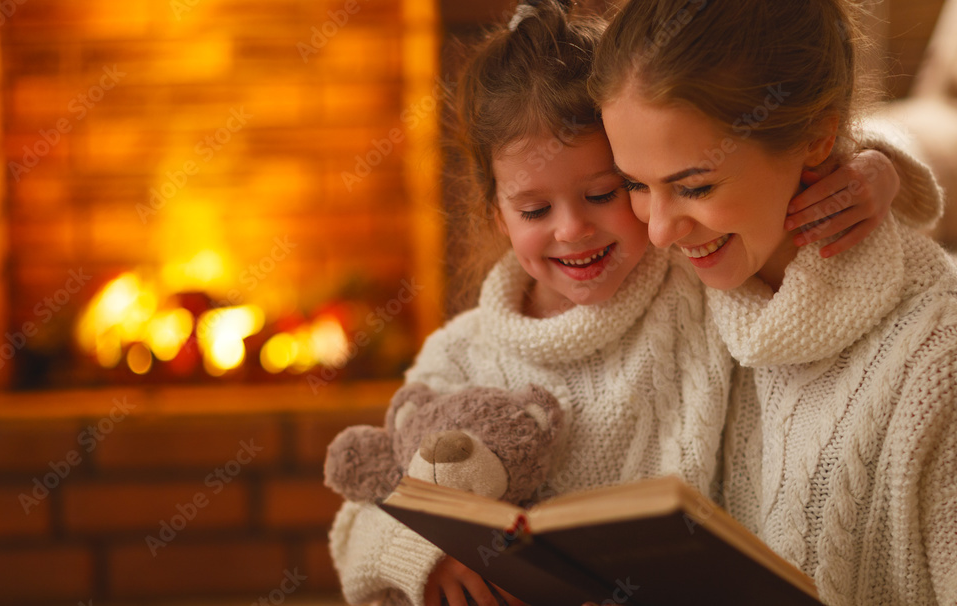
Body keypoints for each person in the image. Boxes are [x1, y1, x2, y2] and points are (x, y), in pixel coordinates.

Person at [329, 2, 936, 605]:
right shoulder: (459, 352)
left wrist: (875, 171)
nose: (572, 230)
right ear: (496, 215)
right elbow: (366, 503)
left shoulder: (689, 282)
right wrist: (422, 554)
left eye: (605, 192)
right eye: (535, 211)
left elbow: (772, 165)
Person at [591, 1, 957, 605]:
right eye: (635, 184)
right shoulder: (667, 289)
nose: (658, 232)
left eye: (694, 187)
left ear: (817, 137)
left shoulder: (934, 363)